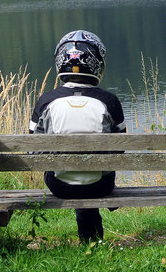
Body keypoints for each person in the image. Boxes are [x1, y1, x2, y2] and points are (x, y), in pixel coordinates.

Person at [28, 30, 126, 242]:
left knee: (70, 172)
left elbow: (32, 148)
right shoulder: (109, 101)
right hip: (101, 185)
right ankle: (91, 239)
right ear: (97, 63)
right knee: (93, 173)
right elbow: (121, 148)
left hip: (60, 185)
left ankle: (89, 239)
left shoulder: (47, 100)